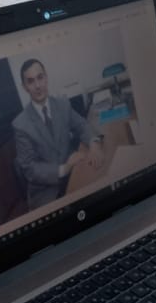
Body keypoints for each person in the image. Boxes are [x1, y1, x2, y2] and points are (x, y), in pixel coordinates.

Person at [12, 58, 104, 210]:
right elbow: (29, 168)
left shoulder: (62, 104)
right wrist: (63, 168)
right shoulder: (20, 124)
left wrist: (94, 144)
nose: (37, 85)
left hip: (73, 173)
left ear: (46, 78)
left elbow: (82, 125)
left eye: (40, 77)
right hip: (46, 192)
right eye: (31, 81)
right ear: (25, 87)